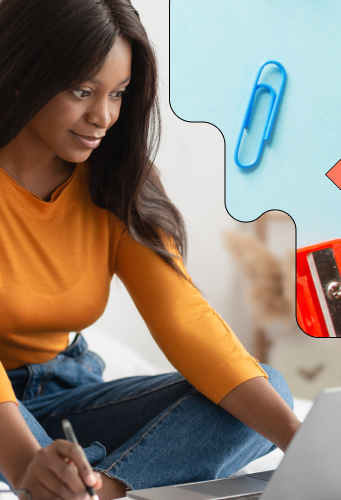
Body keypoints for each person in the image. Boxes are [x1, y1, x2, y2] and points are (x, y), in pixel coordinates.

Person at [0, 1, 300, 499]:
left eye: (117, 94)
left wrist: (302, 442)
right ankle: (54, 479)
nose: (103, 117)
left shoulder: (117, 180)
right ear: (20, 73)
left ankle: (104, 488)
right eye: (82, 91)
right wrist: (26, 461)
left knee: (268, 391)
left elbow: (185, 320)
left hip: (63, 389)